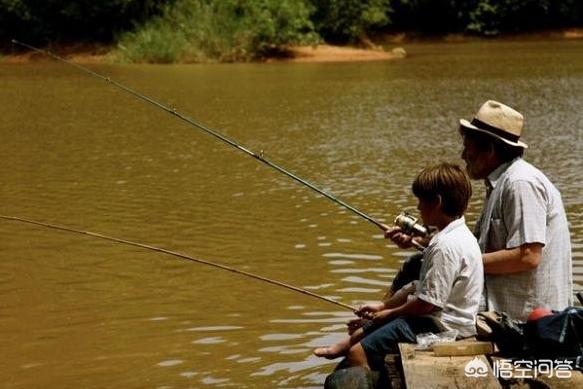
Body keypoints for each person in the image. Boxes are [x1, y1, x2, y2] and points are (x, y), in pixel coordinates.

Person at [313, 163, 483, 371]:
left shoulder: (445, 245)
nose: (419, 208)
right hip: (448, 320)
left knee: (357, 353)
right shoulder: (461, 235)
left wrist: (389, 313)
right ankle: (347, 345)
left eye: (421, 201)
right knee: (372, 326)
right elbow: (420, 287)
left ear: (437, 202)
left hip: (443, 328)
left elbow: (426, 304)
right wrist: (383, 307)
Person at [458, 100, 572, 321]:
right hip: (502, 309)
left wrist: (461, 262)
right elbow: (477, 247)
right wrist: (430, 241)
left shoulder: (520, 183)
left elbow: (527, 257)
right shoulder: (501, 183)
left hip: (530, 320)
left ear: (489, 150)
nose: (463, 155)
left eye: (467, 147)